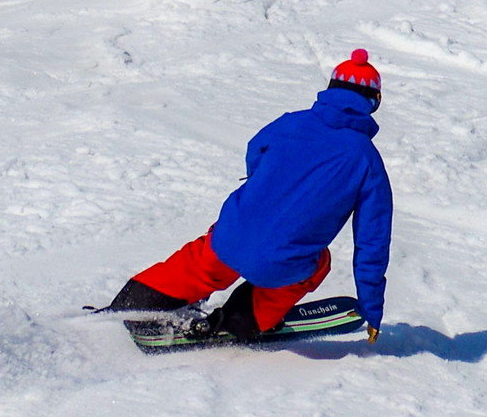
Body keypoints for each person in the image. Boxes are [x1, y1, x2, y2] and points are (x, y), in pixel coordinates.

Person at [101, 50, 392, 342]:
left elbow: (255, 151)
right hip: (282, 263)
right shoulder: (366, 160)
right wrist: (372, 309)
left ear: (330, 90)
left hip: (230, 232)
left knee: (207, 259)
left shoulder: (289, 123)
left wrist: (263, 188)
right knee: (318, 262)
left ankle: (138, 300)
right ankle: (242, 320)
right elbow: (372, 242)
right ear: (374, 102)